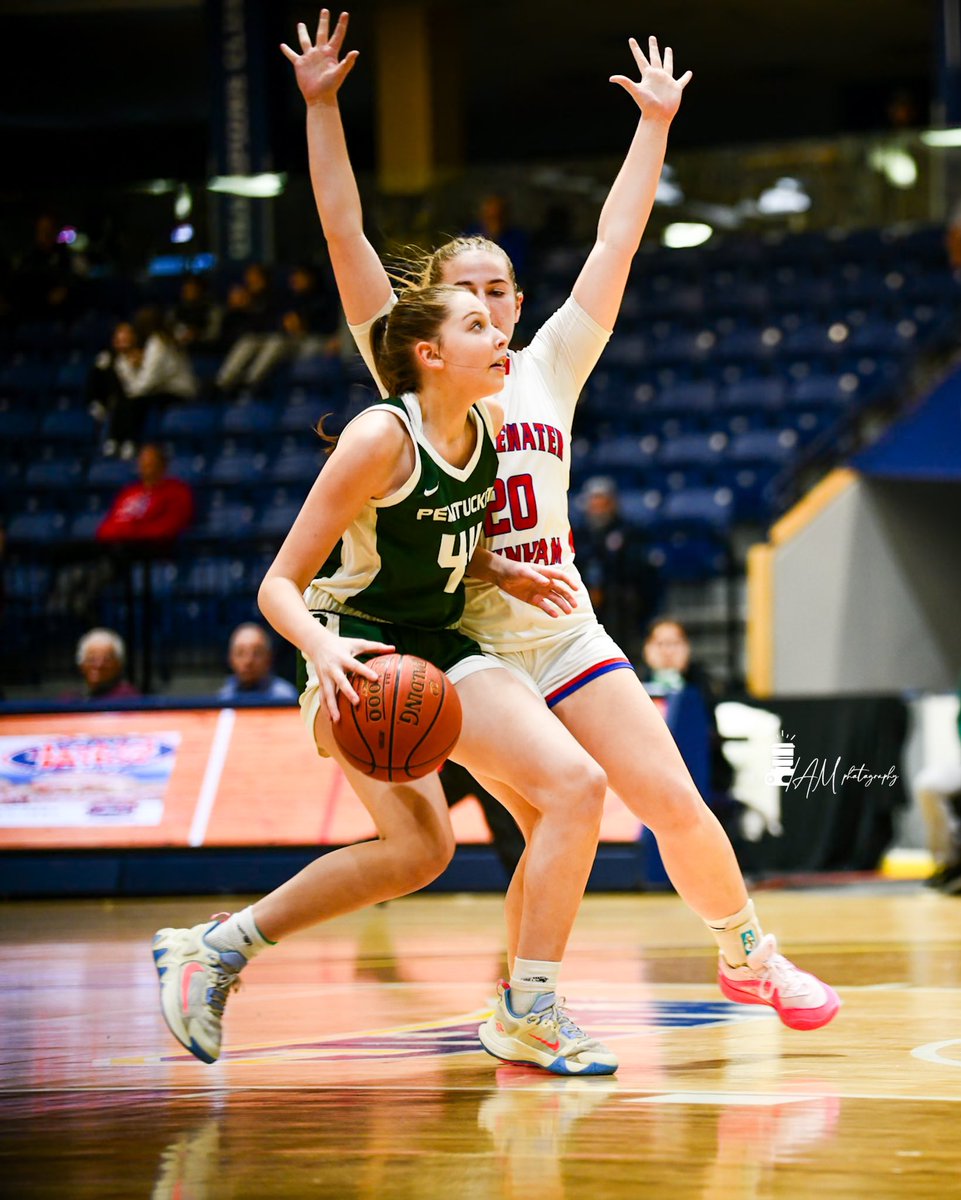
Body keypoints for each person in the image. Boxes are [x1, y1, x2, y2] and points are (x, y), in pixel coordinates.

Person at [287, 10, 839, 1032]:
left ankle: (746, 953)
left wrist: (655, 127)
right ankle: (524, 1000)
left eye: (502, 289)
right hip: (466, 642)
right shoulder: (413, 379)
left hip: (565, 624)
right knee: (556, 814)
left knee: (672, 800)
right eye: (469, 292)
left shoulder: (547, 365)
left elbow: (617, 238)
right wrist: (322, 108)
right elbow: (345, 236)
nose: (490, 305)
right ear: (431, 321)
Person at [153, 283, 617, 1076]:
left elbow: (437, 539)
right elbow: (277, 585)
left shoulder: (491, 426)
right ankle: (217, 950)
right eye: (476, 324)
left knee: (577, 786)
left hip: (439, 639)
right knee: (419, 850)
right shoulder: (378, 436)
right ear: (429, 355)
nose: (499, 332)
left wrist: (498, 565)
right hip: (356, 647)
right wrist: (323, 654)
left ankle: (529, 1010)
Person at [571, 475, 659, 661]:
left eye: (602, 500)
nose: (597, 506)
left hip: (619, 601)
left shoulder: (628, 531)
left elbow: (637, 567)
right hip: (584, 597)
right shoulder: (579, 532)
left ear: (612, 502)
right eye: (593, 500)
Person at [96, 443, 195, 543]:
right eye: (143, 462)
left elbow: (169, 528)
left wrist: (132, 533)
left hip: (150, 548)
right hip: (116, 545)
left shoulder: (176, 491)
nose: (145, 466)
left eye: (150, 463)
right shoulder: (128, 492)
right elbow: (108, 525)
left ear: (162, 465)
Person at [218, 622, 299, 702]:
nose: (248, 661)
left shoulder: (285, 697)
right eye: (240, 653)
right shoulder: (224, 696)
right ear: (230, 658)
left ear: (269, 658)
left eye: (257, 653)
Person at [69, 628, 140, 701]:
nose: (98, 665)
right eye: (91, 659)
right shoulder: (70, 698)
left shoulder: (128, 697)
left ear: (118, 665)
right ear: (81, 664)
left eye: (106, 660)